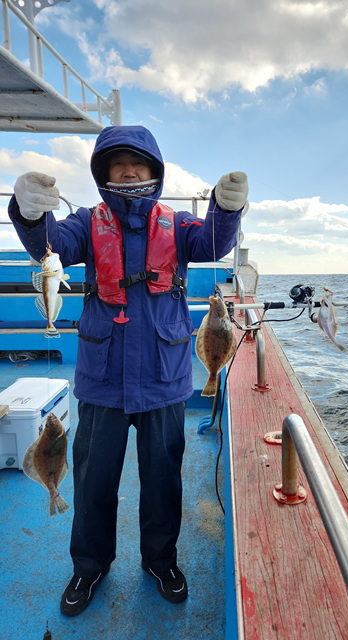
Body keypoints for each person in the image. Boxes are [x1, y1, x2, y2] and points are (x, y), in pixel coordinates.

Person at [9, 125, 248, 615]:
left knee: (163, 481)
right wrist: (30, 213)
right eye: (118, 164)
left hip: (164, 378)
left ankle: (161, 561)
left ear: (154, 171)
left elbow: (213, 244)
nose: (129, 172)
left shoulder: (178, 224)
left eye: (138, 164)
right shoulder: (85, 222)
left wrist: (226, 209)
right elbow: (49, 246)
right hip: (103, 380)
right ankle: (89, 566)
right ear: (104, 173)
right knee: (93, 481)